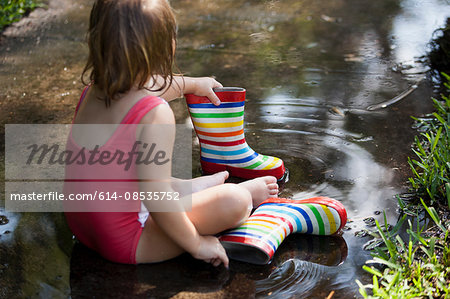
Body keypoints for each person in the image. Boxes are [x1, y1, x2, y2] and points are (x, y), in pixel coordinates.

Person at [64, 0, 279, 268]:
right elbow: (156, 198)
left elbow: (148, 86)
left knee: (147, 174)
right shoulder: (155, 114)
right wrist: (196, 244)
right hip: (129, 243)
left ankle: (192, 188)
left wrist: (194, 84)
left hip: (83, 227)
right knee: (234, 201)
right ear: (167, 46)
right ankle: (240, 192)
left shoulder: (92, 93)